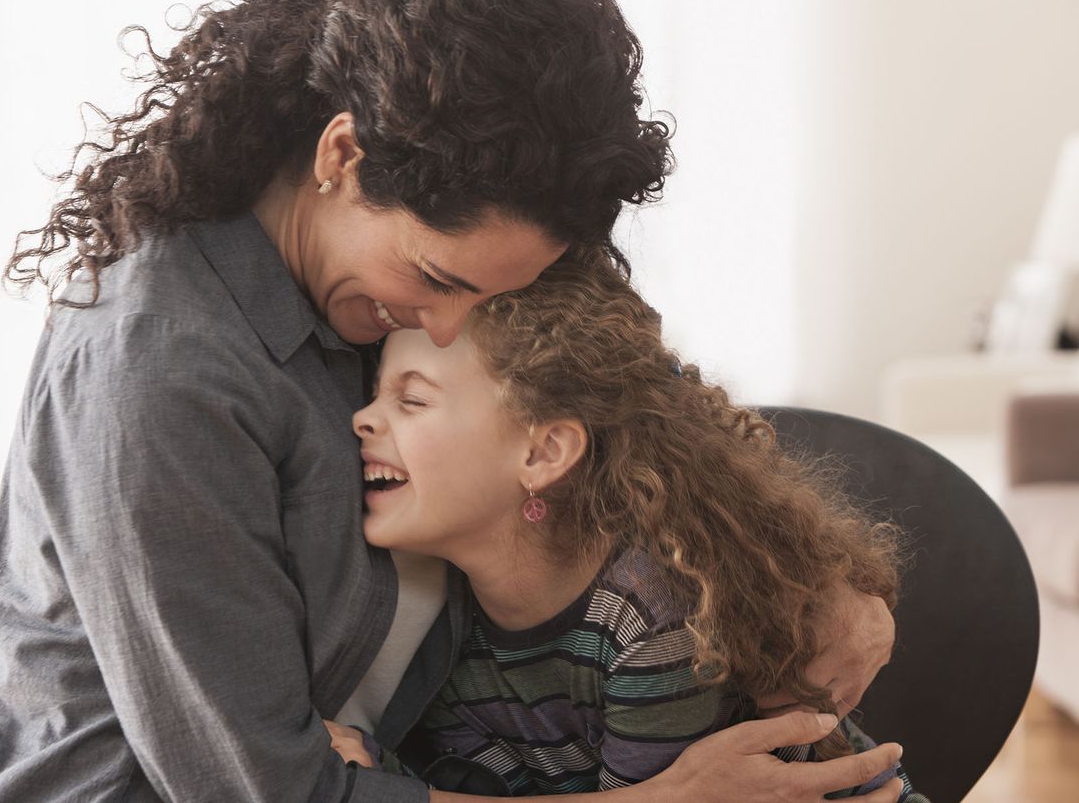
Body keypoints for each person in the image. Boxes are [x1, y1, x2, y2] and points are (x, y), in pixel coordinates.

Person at [0, 0, 896, 801]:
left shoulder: (444, 247)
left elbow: (631, 389)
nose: (451, 329)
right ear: (343, 153)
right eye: (433, 279)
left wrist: (820, 586)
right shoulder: (161, 379)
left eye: (489, 299)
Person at [331, 252, 921, 801]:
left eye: (411, 401)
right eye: (376, 393)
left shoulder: (646, 616)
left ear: (544, 453)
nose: (360, 417)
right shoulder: (446, 627)